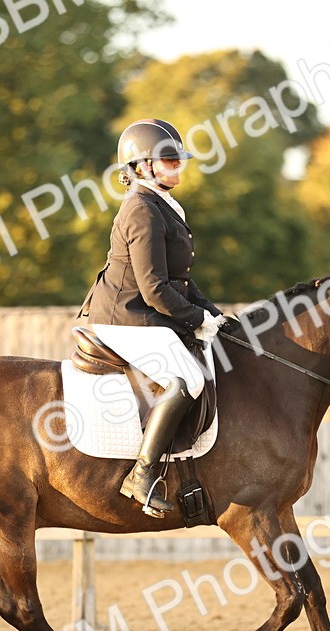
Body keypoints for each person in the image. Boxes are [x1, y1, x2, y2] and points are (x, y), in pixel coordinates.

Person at [78, 118, 232, 517]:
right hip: (125, 317)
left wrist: (216, 316)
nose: (178, 164)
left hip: (146, 312)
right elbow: (153, 289)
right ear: (141, 166)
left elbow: (179, 281)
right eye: (168, 158)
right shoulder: (142, 210)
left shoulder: (162, 205)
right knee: (189, 379)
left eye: (179, 157)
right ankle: (142, 475)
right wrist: (196, 318)